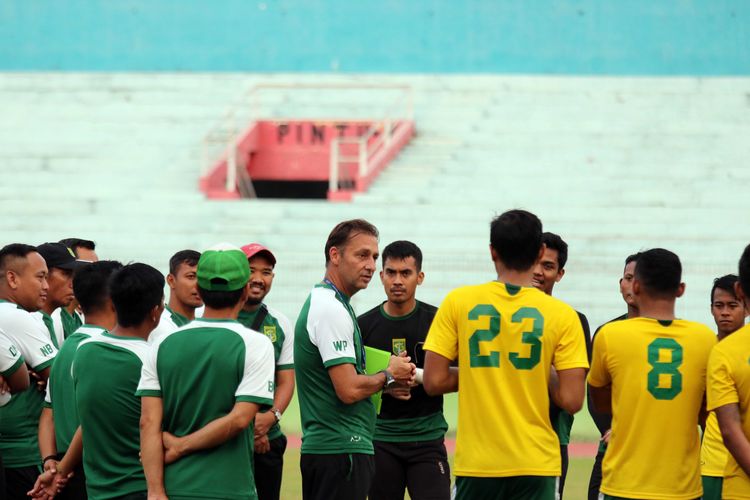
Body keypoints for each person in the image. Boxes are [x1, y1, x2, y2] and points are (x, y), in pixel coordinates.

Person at [423, 209, 588, 500]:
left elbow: (434, 381)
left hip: (478, 463)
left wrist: (481, 371)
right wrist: (534, 373)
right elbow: (572, 400)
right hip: (536, 463)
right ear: (539, 252)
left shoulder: (458, 301)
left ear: (492, 251)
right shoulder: (563, 315)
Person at [138, 244, 276, 499]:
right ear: (245, 290)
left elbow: (148, 423)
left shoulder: (162, 343)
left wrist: (155, 490)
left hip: (173, 487)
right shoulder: (256, 344)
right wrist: (181, 446)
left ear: (200, 288)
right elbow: (239, 419)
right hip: (230, 489)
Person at [295, 219, 416, 500]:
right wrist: (388, 374)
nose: (372, 265)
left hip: (337, 448)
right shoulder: (330, 309)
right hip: (340, 449)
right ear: (335, 256)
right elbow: (348, 389)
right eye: (362, 255)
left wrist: (383, 383)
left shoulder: (334, 304)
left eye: (374, 257)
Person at [588, 248, 716, 499]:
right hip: (682, 487)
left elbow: (600, 401)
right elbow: (707, 410)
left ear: (635, 286)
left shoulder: (610, 335)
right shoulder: (705, 339)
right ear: (680, 289)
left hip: (623, 483)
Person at [358, 240, 450, 500]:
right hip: (380, 439)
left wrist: (420, 377)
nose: (397, 280)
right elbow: (350, 383)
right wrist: (386, 386)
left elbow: (459, 375)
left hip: (427, 439)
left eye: (405, 273)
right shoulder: (362, 326)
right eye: (391, 272)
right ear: (381, 276)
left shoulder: (438, 322)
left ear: (419, 277)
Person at [36, 260, 122, 499]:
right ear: (116, 299)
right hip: (94, 472)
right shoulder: (104, 349)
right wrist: (62, 469)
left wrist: (51, 462)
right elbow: (92, 420)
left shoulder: (67, 347)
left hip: (66, 468)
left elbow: (48, 414)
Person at [531, 231, 591, 498]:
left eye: (548, 266)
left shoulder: (573, 321)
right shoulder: (493, 313)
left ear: (560, 273)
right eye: (534, 261)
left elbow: (570, 393)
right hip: (492, 442)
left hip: (551, 440)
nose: (538, 271)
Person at [0, 243, 58, 499]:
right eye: (40, 277)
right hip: (25, 451)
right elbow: (60, 378)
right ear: (12, 278)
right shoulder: (16, 316)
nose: (46, 286)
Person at [237, 243, 294, 500]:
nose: (258, 279)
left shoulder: (280, 322)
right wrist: (251, 427)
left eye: (267, 272)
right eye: (251, 270)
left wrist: (271, 417)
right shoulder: (213, 316)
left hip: (269, 439)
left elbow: (286, 381)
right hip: (228, 439)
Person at [587, 252, 641, 500]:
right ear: (620, 284)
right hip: (611, 447)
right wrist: (610, 428)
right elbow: (594, 392)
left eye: (638, 278)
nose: (633, 285)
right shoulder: (606, 332)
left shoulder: (675, 336)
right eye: (628, 277)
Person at [707, 246, 750, 498]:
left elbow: (730, 430)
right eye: (718, 305)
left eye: (731, 305)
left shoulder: (723, 353)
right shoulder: (711, 349)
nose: (724, 312)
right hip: (713, 462)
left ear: (741, 294)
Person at [36, 243, 84, 349]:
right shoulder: (28, 320)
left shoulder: (52, 319)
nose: (73, 284)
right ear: (44, 274)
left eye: (74, 275)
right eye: (66, 274)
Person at [148, 250, 202, 344]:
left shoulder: (203, 324)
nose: (199, 285)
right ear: (171, 280)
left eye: (203, 278)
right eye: (191, 276)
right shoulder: (161, 326)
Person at [54, 238, 98, 339]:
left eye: (97, 267)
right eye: (88, 268)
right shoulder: (55, 318)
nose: (97, 274)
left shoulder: (78, 317)